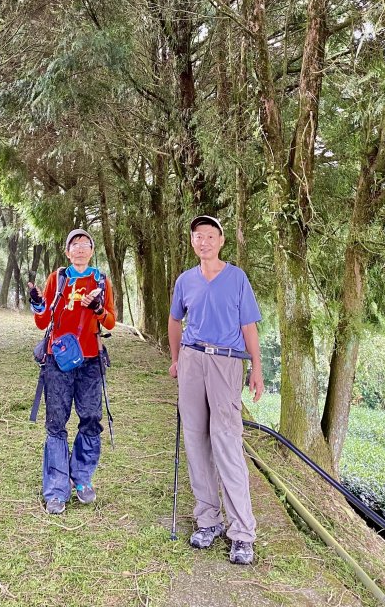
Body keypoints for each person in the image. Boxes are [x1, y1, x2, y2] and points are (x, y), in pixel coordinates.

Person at [168, 214, 265, 565]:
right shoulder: (185, 280)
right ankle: (208, 519)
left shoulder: (237, 278)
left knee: (226, 441)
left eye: (210, 235)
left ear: (221, 240)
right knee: (195, 440)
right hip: (193, 360)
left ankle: (242, 532)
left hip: (227, 362)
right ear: (192, 242)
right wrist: (177, 359)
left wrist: (256, 367)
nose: (204, 241)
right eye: (198, 236)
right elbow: (175, 319)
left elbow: (249, 325)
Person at [28, 228, 116, 515]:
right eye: (74, 245)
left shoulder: (101, 280)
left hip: (90, 361)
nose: (79, 249)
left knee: (91, 418)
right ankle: (56, 488)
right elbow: (43, 323)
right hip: (58, 360)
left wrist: (99, 308)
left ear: (92, 250)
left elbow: (111, 321)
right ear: (67, 252)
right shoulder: (58, 278)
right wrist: (37, 302)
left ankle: (82, 478)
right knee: (57, 421)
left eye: (85, 244)